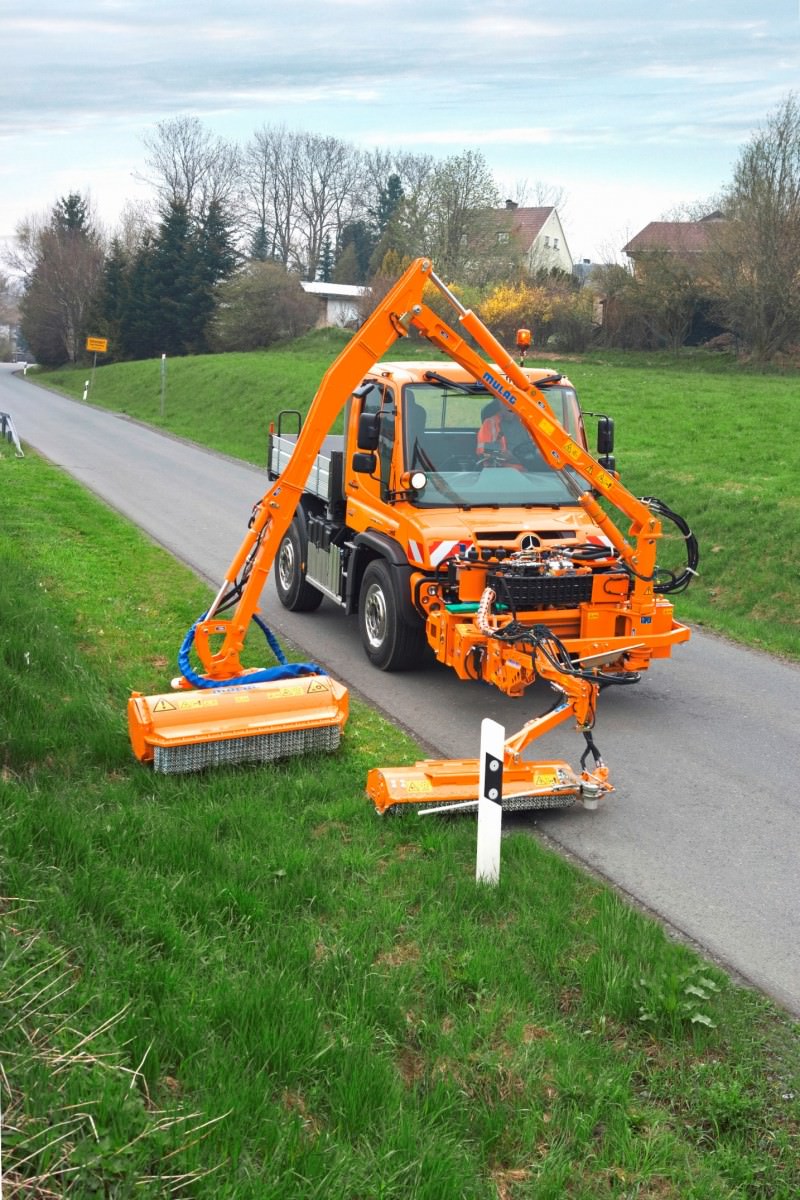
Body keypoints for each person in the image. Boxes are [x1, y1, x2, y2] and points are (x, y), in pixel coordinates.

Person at [476, 400, 534, 466]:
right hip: (502, 470)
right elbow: (482, 451)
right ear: (500, 404)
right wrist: (505, 455)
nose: (510, 408)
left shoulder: (527, 422)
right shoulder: (490, 423)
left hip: (530, 468)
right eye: (506, 404)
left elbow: (537, 447)